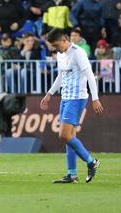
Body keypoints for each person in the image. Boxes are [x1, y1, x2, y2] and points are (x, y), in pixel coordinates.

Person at [41, 28, 103, 184]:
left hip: (77, 98)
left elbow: (89, 75)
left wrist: (95, 98)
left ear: (64, 40)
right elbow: (61, 75)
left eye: (56, 45)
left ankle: (91, 162)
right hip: (65, 98)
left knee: (64, 135)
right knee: (69, 137)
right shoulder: (61, 54)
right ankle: (72, 174)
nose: (55, 49)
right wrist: (49, 93)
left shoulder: (78, 52)